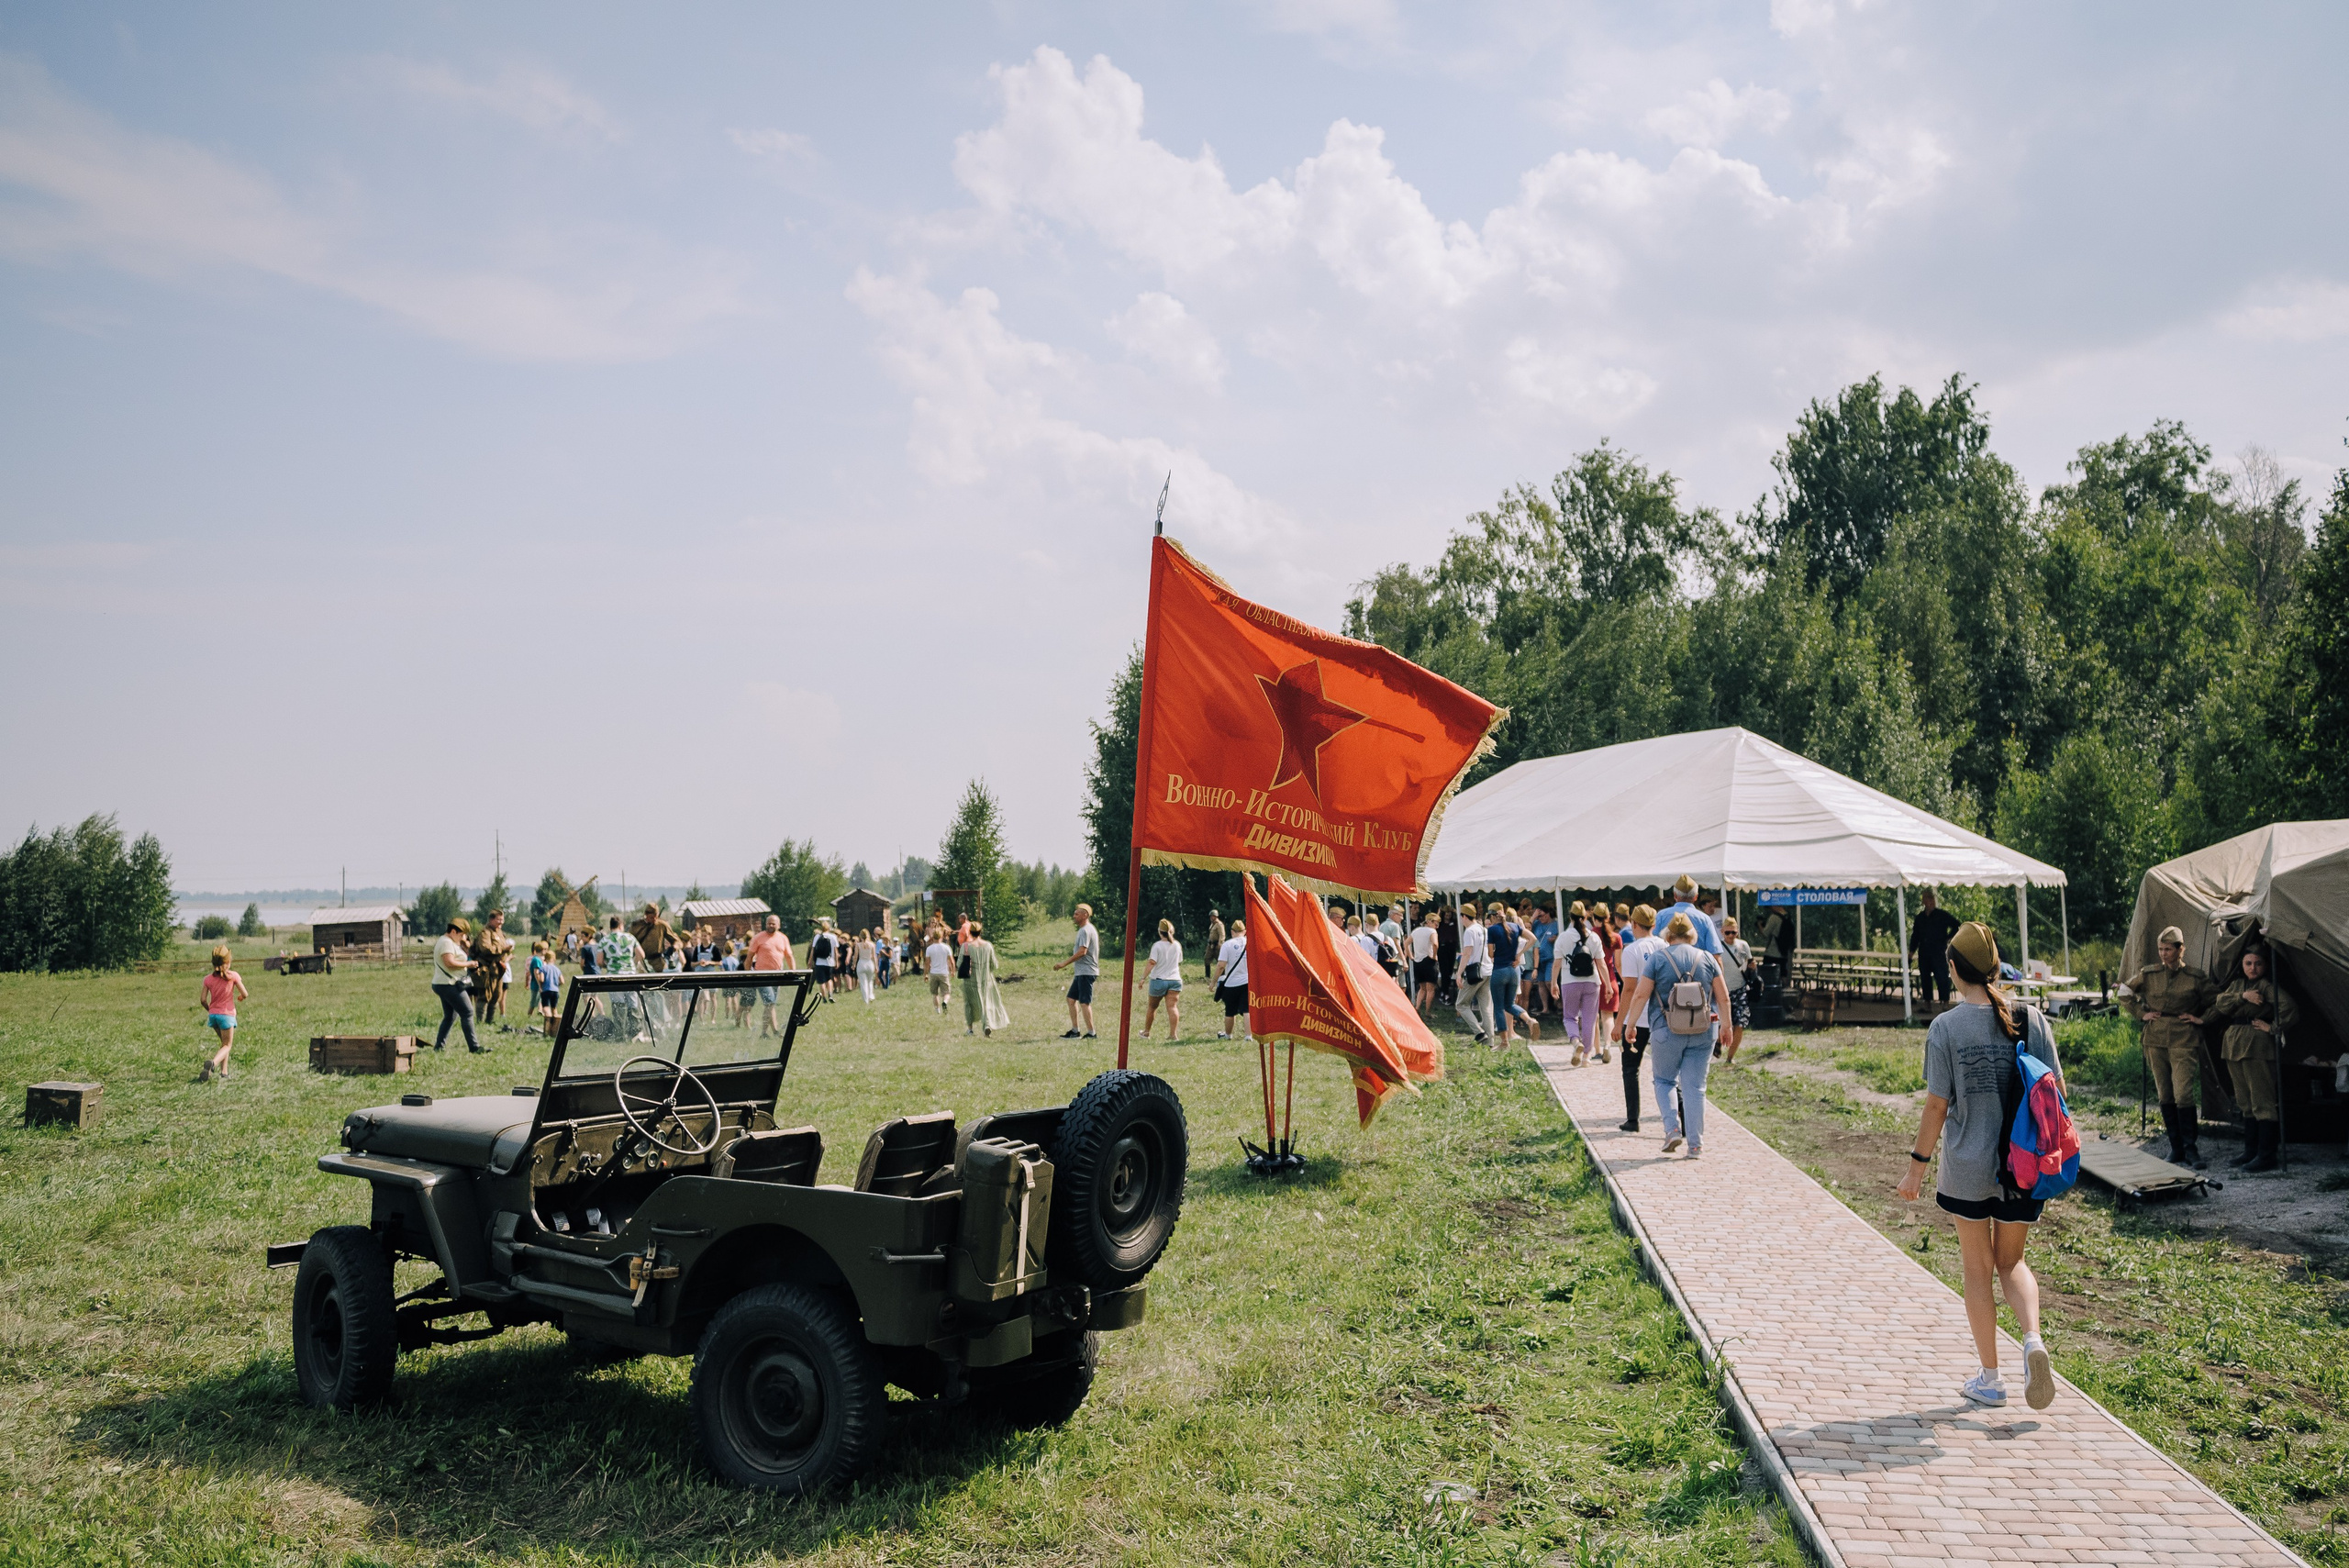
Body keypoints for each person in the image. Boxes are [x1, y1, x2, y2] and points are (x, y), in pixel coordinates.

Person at [1895, 920, 2060, 1412]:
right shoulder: (2033, 1020)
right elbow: (2056, 1095)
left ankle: (1991, 1378)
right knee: (2012, 1263)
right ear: (1994, 967)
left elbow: (1936, 1107)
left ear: (1952, 970)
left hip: (1968, 1168)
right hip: (2024, 1168)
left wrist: (1915, 1171)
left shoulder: (1945, 1028)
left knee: (1977, 1270)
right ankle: (2032, 1340)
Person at [1621, 914, 1731, 1157]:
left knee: (1664, 1081)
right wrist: (1727, 1027)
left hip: (1665, 1029)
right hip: (1704, 1030)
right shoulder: (1708, 959)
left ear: (1668, 935)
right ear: (1693, 935)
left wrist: (1630, 1025)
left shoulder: (1658, 959)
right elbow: (1723, 997)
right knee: (1695, 1087)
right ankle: (1695, 1145)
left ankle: (1672, 1129)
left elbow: (1640, 995)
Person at [2121, 925, 2217, 1169]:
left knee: (2183, 1093)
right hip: (2156, 1038)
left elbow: (2217, 1001)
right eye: (2161, 949)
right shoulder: (2149, 974)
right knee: (2165, 1094)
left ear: (2180, 949)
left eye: (2168, 949)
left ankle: (2190, 1148)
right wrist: (2141, 1014)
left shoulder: (2195, 978)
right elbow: (2124, 991)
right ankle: (2176, 1148)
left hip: (2184, 1038)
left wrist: (2202, 1019)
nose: (2163, 954)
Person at [2209, 944, 2295, 1173]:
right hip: (2234, 1042)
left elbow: (2290, 1008)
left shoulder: (2266, 986)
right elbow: (2220, 1003)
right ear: (2242, 965)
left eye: (2258, 963)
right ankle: (2251, 1150)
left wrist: (2273, 1027)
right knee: (2245, 1101)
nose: (2253, 968)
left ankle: (2267, 1155)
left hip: (2256, 1044)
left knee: (2261, 1101)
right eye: (2248, 963)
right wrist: (2242, 996)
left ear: (2265, 965)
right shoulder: (2238, 984)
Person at [1613, 906, 1663, 1131]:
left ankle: (1633, 1119)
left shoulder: (1632, 950)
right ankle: (1680, 1115)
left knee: (1630, 1068)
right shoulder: (1665, 946)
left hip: (1638, 1017)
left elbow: (1630, 989)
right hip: (1662, 1016)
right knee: (1668, 1071)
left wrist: (1620, 1022)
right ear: (1653, 925)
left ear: (1633, 924)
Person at [1553, 903, 1605, 1066]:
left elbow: (1556, 964)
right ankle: (1587, 1057)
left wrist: (1553, 982)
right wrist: (1609, 986)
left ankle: (1576, 1042)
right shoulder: (1594, 937)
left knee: (1569, 1017)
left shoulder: (1563, 937)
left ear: (1570, 917)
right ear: (1585, 917)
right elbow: (1601, 964)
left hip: (1570, 981)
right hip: (1592, 982)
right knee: (1590, 1019)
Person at [1486, 903, 1540, 1047]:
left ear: (1492, 916)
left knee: (1498, 1007)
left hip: (1499, 970)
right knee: (1510, 1004)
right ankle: (1530, 1020)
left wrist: (1498, 953)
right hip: (1513, 971)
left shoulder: (1492, 930)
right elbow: (1533, 939)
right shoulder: (1515, 927)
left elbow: (1490, 954)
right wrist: (1519, 954)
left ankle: (1504, 1042)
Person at [195, 944, 249, 1082]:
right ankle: (213, 1064)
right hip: (227, 1015)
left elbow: (202, 1000)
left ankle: (224, 1073)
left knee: (224, 1044)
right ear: (228, 962)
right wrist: (241, 998)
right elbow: (245, 994)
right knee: (227, 1045)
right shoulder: (233, 976)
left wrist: (211, 1010)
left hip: (213, 1016)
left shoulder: (207, 979)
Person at [432, 917, 484, 1053]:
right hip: (449, 984)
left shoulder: (448, 941)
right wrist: (469, 964)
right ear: (453, 931)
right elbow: (449, 962)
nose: (462, 938)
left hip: (444, 983)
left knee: (450, 1016)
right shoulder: (446, 943)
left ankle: (439, 1046)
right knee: (468, 1012)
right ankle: (474, 1047)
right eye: (461, 935)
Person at [1052, 903, 1101, 1040]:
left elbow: (1082, 952)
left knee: (1084, 1002)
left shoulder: (1086, 930)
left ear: (1085, 915)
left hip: (1087, 972)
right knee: (1071, 999)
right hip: (1082, 972)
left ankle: (1092, 1033)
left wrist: (1064, 964)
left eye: (1077, 914)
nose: (1074, 916)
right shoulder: (1084, 930)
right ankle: (1075, 1031)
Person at [1909, 888, 1962, 1006]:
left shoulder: (1941, 915)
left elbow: (1956, 925)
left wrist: (1948, 938)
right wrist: (1912, 951)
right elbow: (1915, 935)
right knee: (1925, 977)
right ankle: (1928, 1002)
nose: (1928, 902)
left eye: (1929, 899)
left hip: (1938, 950)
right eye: (1925, 899)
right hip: (1924, 951)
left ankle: (1945, 1001)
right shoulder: (1920, 918)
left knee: (1941, 976)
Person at [1453, 901, 1493, 1044]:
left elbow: (1467, 954)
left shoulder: (1469, 931)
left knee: (1461, 1004)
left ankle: (1479, 1032)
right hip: (1488, 970)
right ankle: (1490, 1041)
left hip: (1475, 973)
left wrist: (1459, 973)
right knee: (1486, 1007)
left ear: (1464, 917)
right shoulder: (1484, 929)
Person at [960, 921, 1010, 1036]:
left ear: (970, 932)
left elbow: (960, 964)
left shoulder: (966, 946)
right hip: (987, 980)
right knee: (986, 1002)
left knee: (969, 1004)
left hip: (970, 981)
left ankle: (970, 1029)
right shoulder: (988, 945)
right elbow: (994, 965)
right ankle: (987, 1025)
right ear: (980, 931)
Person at [746, 916, 793, 1037]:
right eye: (768, 924)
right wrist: (747, 974)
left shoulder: (783, 938)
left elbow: (789, 956)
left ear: (779, 925)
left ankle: (765, 1033)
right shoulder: (758, 938)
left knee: (770, 1004)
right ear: (765, 924)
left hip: (777, 975)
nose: (771, 926)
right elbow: (749, 957)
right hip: (762, 975)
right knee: (770, 1001)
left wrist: (793, 972)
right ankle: (775, 1031)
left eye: (773, 924)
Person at [1653, 874, 1722, 956]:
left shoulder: (1661, 916)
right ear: (1696, 897)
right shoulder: (1705, 919)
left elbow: (1653, 944)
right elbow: (1715, 953)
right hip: (1697, 966)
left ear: (1675, 895)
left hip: (1666, 965)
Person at [1718, 917, 1755, 1064]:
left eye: (1734, 932)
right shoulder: (1718, 948)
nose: (1731, 936)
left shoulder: (1743, 946)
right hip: (1723, 991)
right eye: (1728, 933)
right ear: (1722, 932)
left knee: (1740, 1023)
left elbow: (1750, 962)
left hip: (1740, 989)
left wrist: (1753, 968)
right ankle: (1717, 1046)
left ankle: (1730, 1057)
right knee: (1722, 1024)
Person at [472, 909, 517, 1031]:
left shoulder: (500, 932)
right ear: (491, 919)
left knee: (497, 995)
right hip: (487, 969)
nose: (501, 922)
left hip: (498, 969)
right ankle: (480, 1022)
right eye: (498, 919)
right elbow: (485, 948)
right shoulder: (485, 933)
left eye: (502, 919)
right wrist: (503, 948)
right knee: (484, 995)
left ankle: (490, 1021)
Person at [1143, 918, 1185, 1040]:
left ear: (1159, 932)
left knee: (1152, 1007)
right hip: (1175, 980)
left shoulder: (1157, 946)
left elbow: (1152, 962)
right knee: (1172, 1007)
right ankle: (1173, 1034)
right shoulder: (1177, 945)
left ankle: (1146, 1032)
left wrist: (1143, 978)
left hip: (1159, 980)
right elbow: (1179, 961)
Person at [1214, 917, 1251, 1040]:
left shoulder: (1227, 945)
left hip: (1231, 983)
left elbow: (1221, 966)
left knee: (1230, 1011)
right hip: (1247, 981)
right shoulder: (1250, 943)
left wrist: (1213, 982)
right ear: (1245, 931)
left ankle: (1228, 1035)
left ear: (1232, 932)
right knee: (1247, 1009)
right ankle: (1248, 1036)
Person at [526, 940, 562, 1037]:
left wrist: (543, 984)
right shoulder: (538, 960)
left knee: (545, 1007)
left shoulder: (541, 964)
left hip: (545, 988)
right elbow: (562, 981)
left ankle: (548, 1028)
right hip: (552, 989)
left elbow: (540, 977)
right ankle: (555, 1028)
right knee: (551, 1007)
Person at [1409, 909, 1441, 1018]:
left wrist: (1410, 955)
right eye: (1436, 924)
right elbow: (1435, 944)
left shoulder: (1416, 930)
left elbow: (1406, 943)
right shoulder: (1432, 932)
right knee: (1431, 989)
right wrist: (1434, 955)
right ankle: (1427, 1012)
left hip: (1418, 962)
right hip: (1429, 961)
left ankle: (1417, 1008)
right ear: (1430, 922)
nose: (1437, 927)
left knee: (1422, 988)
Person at [1531, 902, 1560, 1018]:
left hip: (1551, 958)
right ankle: (1545, 1008)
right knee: (1541, 983)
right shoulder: (1536, 924)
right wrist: (1533, 917)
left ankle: (1558, 1003)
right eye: (1539, 916)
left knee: (1549, 981)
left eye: (1542, 915)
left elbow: (1563, 935)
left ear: (1548, 914)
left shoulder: (1556, 924)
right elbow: (1525, 928)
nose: (1540, 918)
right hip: (1538, 958)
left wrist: (1556, 938)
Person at [924, 927, 957, 1015]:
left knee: (935, 993)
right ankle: (945, 1002)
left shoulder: (929, 949)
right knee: (946, 992)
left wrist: (925, 974)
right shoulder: (946, 947)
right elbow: (952, 962)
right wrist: (953, 971)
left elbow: (927, 963)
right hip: (944, 973)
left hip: (934, 973)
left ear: (933, 937)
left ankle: (937, 1010)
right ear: (941, 936)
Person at [1435, 906, 1460, 1007]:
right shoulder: (1440, 924)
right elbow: (1435, 921)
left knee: (1449, 971)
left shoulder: (1454, 922)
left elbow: (1460, 916)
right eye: (1447, 913)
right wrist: (1439, 911)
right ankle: (1445, 993)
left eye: (1450, 913)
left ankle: (1444, 991)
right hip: (1442, 946)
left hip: (1452, 946)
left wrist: (1454, 909)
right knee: (1444, 971)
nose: (1448, 915)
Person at [808, 917, 840, 998]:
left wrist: (810, 961)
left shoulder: (817, 936)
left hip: (819, 962)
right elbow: (836, 951)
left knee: (821, 981)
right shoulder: (833, 937)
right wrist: (837, 961)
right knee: (829, 979)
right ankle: (830, 994)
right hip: (830, 962)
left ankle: (824, 998)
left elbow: (813, 950)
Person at [1204, 908, 1227, 983]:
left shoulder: (1219, 925)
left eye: (1212, 916)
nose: (1211, 917)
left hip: (1217, 946)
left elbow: (1222, 935)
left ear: (1216, 916)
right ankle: (1207, 976)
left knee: (1220, 961)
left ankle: (1223, 976)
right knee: (1206, 959)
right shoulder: (1212, 924)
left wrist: (1220, 944)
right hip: (1210, 945)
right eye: (1210, 916)